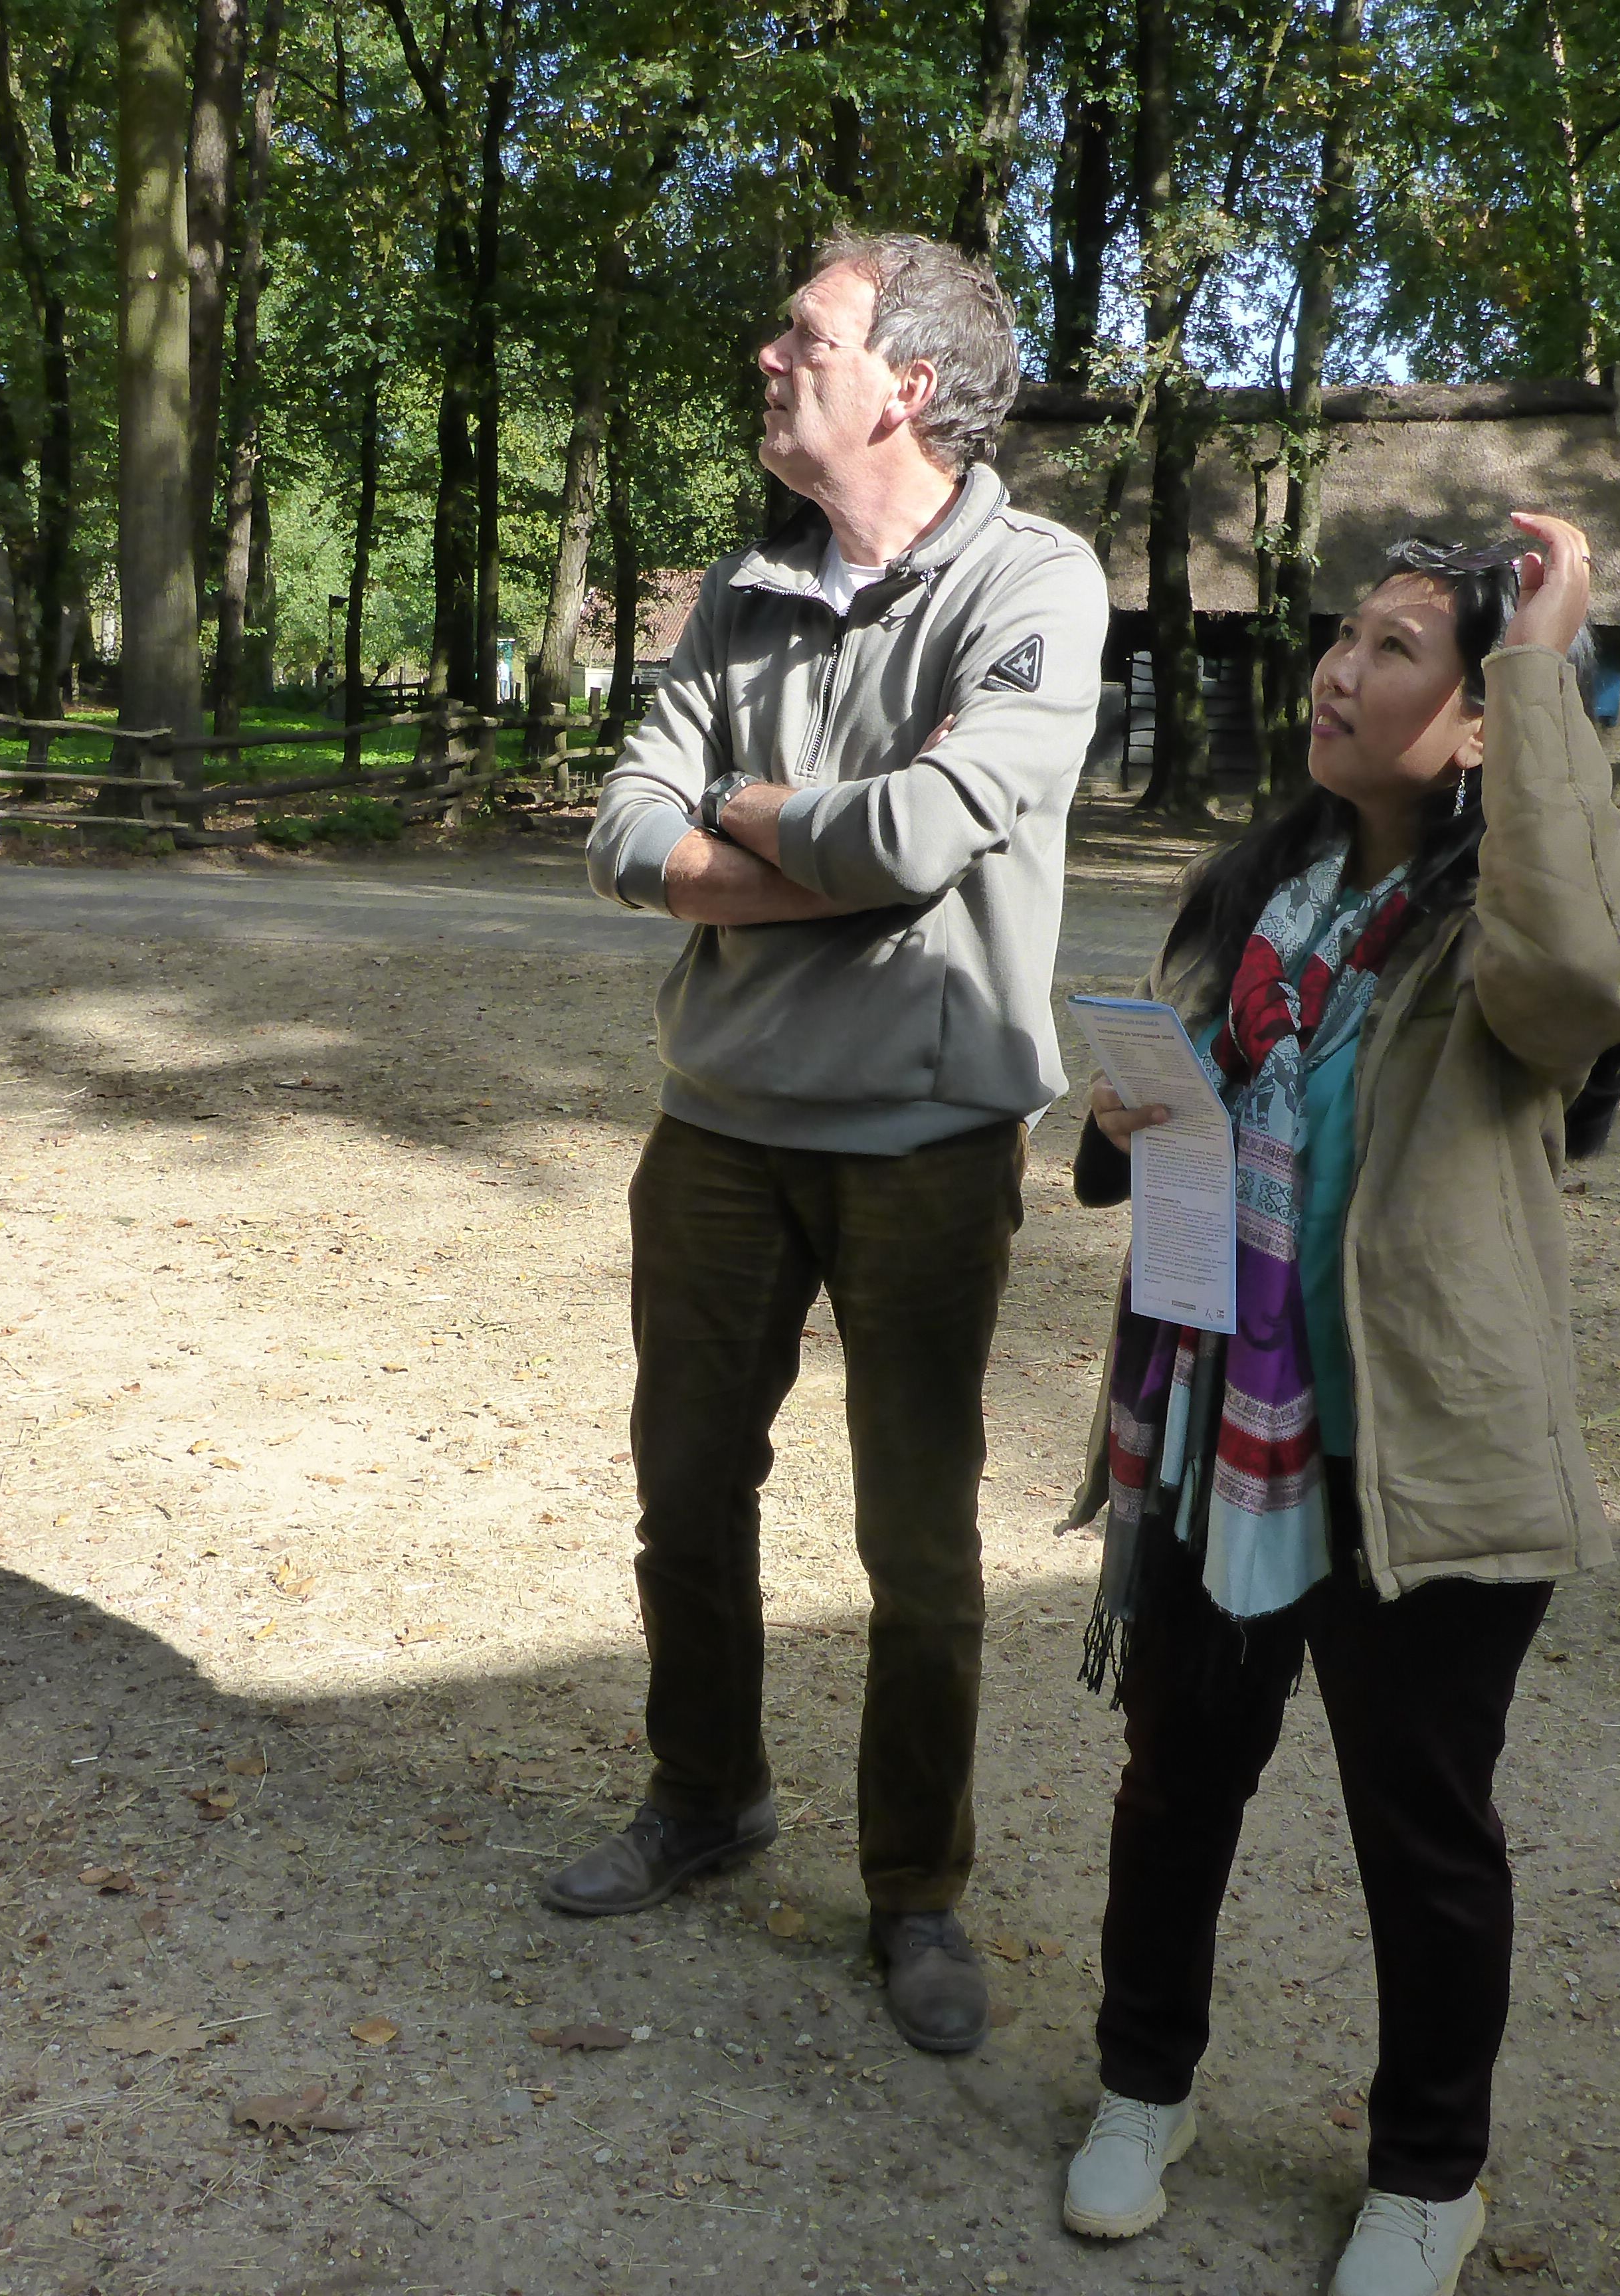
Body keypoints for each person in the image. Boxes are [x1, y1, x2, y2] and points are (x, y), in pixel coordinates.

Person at [1054, 518, 1620, 2294]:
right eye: (1344, 636)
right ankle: (1143, 2083)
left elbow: (1574, 991)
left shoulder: (1535, 920)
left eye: (1396, 649)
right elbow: (1183, 1111)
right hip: (1213, 1421)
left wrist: (1540, 664)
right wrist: (1117, 1126)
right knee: (1176, 1780)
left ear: (1482, 721)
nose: (1337, 669)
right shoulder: (1257, 889)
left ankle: (1427, 2173)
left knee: (1422, 1826)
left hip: (1419, 1445)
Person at [559, 231, 1111, 2056]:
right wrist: (814, 839)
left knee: (920, 1544)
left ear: (909, 385)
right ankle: (704, 1794)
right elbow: (624, 835)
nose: (768, 357)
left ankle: (913, 1891)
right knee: (684, 1489)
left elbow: (937, 827)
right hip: (717, 1124)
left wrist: (741, 813)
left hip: (926, 1145)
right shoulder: (742, 591)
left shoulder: (1036, 581)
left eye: (804, 335)